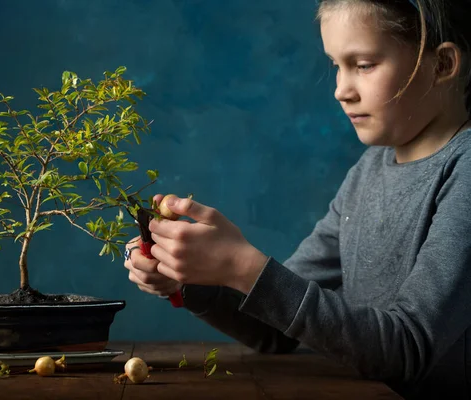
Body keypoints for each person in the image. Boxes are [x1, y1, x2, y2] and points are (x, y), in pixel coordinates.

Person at [122, 0, 471, 398]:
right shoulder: (369, 169)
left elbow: (408, 350)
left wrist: (243, 266)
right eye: (336, 65)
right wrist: (187, 279)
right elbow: (276, 326)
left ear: (442, 65)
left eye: (365, 64)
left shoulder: (464, 172)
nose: (341, 90)